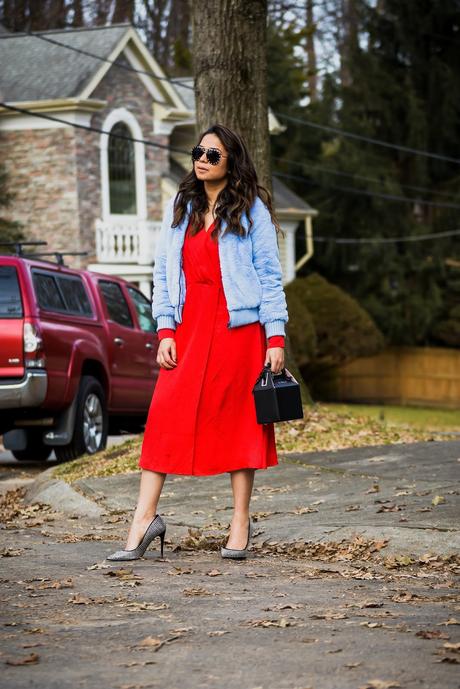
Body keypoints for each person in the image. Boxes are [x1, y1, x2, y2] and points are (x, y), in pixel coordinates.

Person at [107, 123, 289, 562]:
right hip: (188, 329)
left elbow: (269, 275)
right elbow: (164, 274)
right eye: (198, 152)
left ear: (231, 162)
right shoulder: (182, 206)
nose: (201, 160)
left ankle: (240, 523)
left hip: (238, 329)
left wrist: (275, 336)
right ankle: (144, 519)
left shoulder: (251, 211)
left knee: (240, 423)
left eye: (212, 154)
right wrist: (164, 328)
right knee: (165, 416)